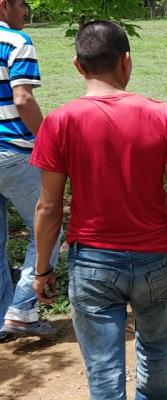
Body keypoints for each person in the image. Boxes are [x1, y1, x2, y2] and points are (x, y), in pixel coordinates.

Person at [30, 21, 167, 399]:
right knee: (157, 354)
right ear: (126, 61)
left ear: (78, 65)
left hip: (92, 262)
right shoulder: (162, 115)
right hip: (154, 260)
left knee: (104, 369)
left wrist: (43, 268)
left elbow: (48, 207)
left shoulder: (59, 122)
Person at [0, 0, 61, 341]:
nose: (26, 10)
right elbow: (22, 99)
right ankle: (21, 311)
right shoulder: (16, 41)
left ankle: (2, 317)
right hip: (11, 152)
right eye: (22, 3)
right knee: (48, 228)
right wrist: (46, 143)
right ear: (4, 5)